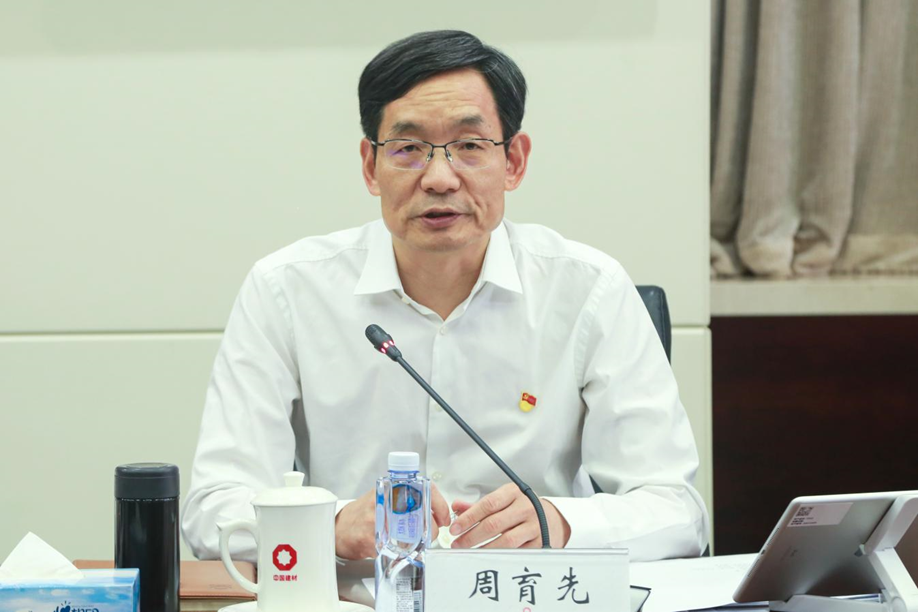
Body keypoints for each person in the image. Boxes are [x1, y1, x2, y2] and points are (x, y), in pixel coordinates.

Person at [182, 30, 708, 563]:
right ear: (370, 166)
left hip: (527, 592)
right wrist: (331, 525)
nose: (439, 178)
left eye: (469, 146)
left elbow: (677, 510)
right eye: (408, 149)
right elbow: (213, 509)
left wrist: (564, 523)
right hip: (357, 595)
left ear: (514, 162)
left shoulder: (589, 290)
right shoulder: (287, 291)